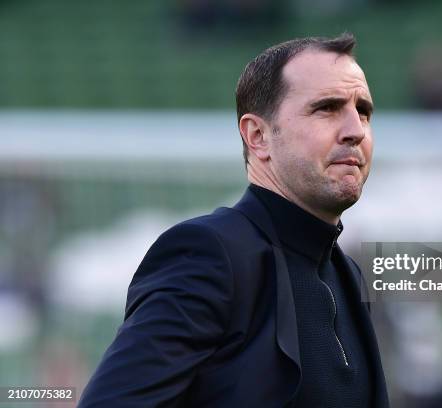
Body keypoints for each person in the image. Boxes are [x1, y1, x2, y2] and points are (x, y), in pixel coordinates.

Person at [78, 33, 389, 407]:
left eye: (364, 112)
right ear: (257, 136)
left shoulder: (347, 274)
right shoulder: (208, 254)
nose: (356, 130)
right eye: (327, 108)